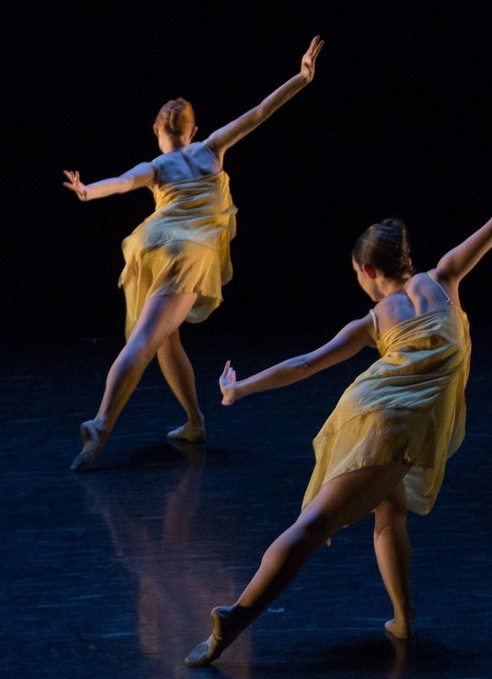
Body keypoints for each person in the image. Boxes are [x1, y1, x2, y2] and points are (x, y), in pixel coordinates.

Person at [187, 180, 492, 666]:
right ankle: (237, 616)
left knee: (390, 513)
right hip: (394, 424)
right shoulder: (444, 279)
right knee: (313, 526)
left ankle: (404, 617)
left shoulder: (373, 321)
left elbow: (306, 363)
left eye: (356, 274)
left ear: (368, 271)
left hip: (378, 412)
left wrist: (239, 388)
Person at [63, 36, 324, 470]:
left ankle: (171, 422)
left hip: (155, 248)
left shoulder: (157, 167)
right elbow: (260, 113)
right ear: (193, 131)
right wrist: (301, 77)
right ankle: (111, 422)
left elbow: (125, 181)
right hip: (188, 254)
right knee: (151, 339)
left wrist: (88, 191)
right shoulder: (211, 148)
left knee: (159, 339)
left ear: (156, 132)